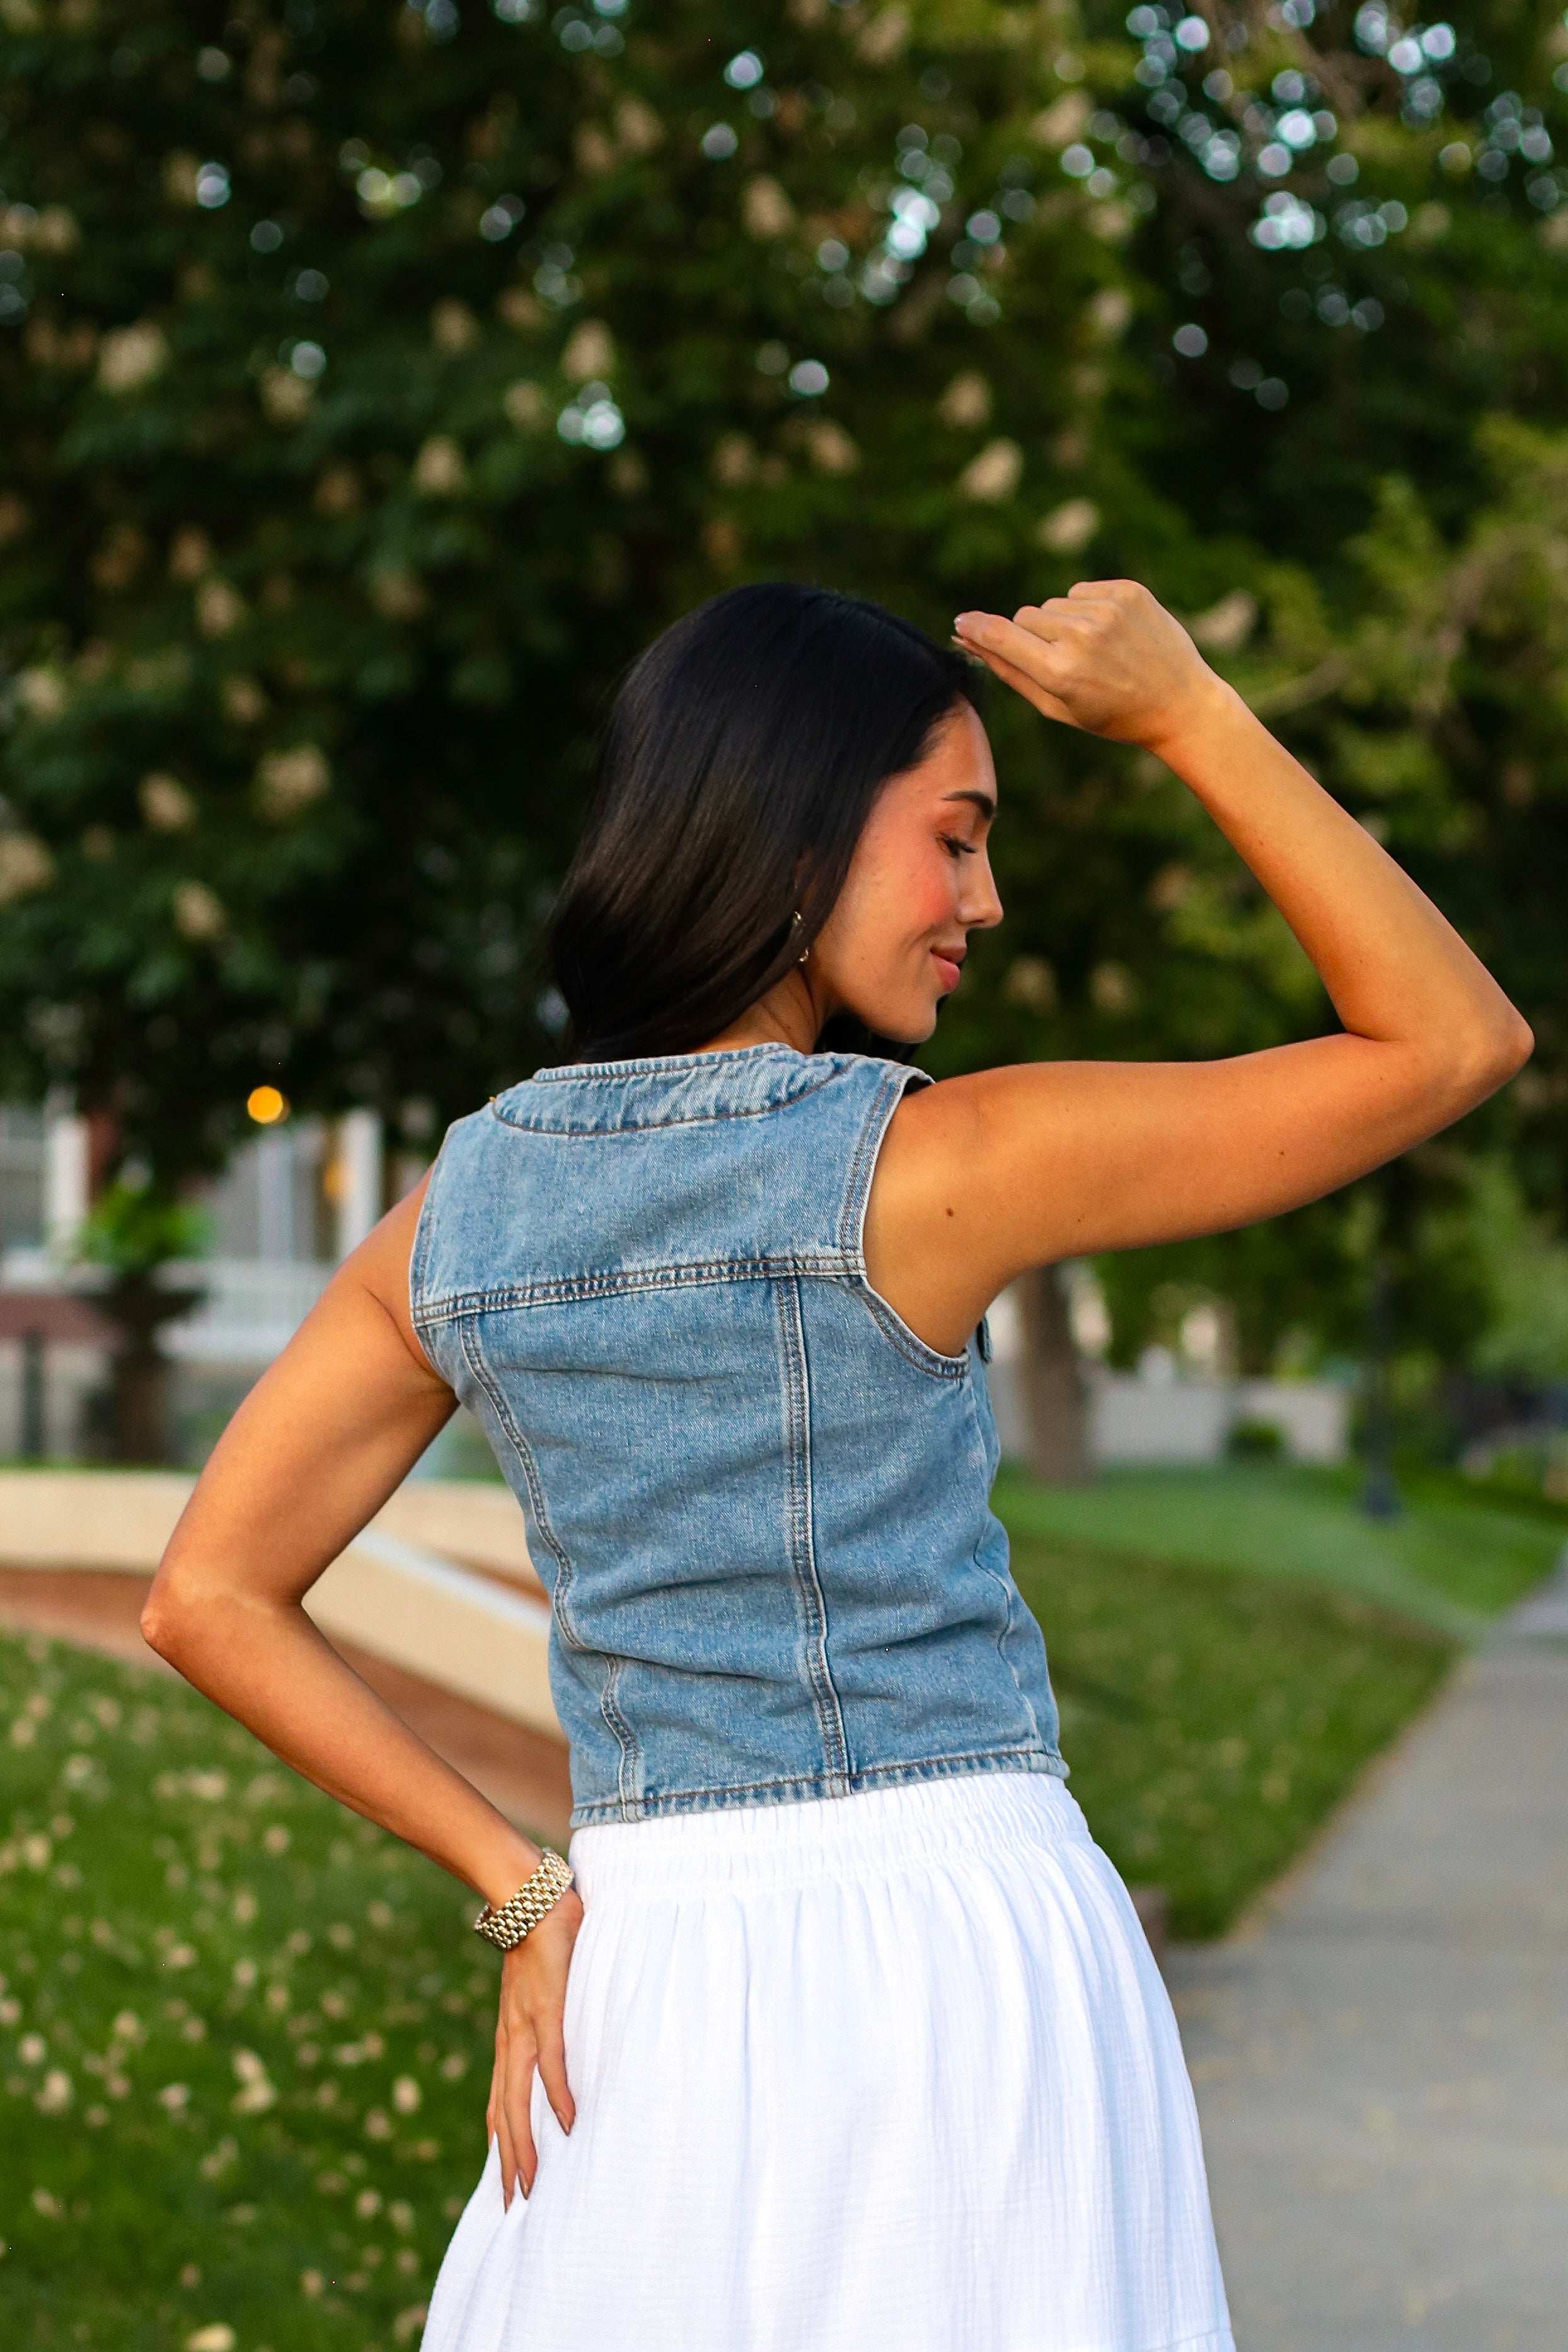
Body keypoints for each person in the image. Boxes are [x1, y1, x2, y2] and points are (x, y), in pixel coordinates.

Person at [142, 578, 1530, 2352]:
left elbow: (208, 1593)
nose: (984, 901)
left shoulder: (460, 1210)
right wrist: (1188, 710)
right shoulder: (936, 1166)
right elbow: (1453, 1038)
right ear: (798, 831)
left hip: (642, 1968)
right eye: (954, 839)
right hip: (963, 1950)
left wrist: (519, 1885)